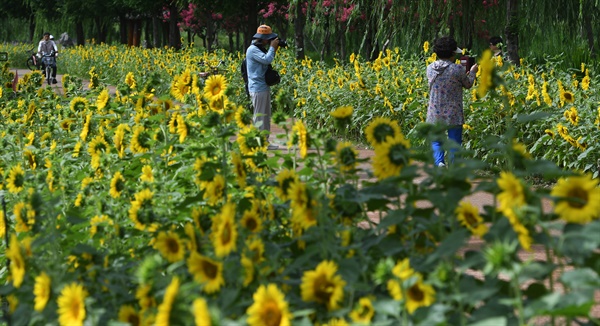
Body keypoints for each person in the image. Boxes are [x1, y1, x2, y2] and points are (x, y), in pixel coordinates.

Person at [426, 36, 478, 167]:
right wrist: (472, 72)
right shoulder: (457, 69)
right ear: (453, 53)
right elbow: (468, 84)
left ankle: (440, 163)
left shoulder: (430, 68)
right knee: (455, 141)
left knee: (436, 140)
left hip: (435, 111)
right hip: (453, 112)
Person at [245, 25, 280, 149]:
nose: (269, 41)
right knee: (259, 116)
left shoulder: (259, 48)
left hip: (263, 87)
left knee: (265, 116)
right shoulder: (252, 49)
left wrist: (273, 48)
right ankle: (258, 142)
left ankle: (264, 141)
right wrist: (272, 48)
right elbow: (267, 60)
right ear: (262, 38)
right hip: (257, 88)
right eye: (268, 38)